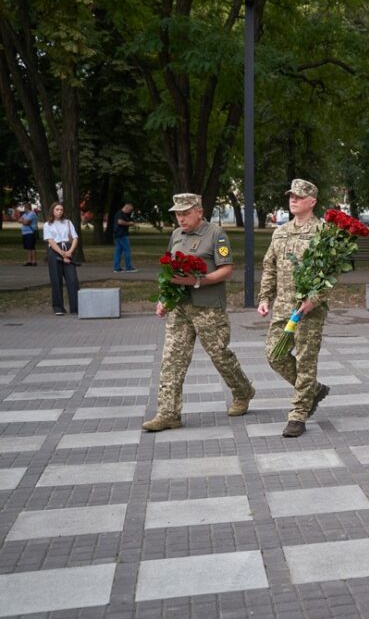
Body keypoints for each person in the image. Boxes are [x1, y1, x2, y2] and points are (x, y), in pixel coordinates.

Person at [141, 193, 255, 432]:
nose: (180, 218)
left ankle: (243, 391)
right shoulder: (176, 235)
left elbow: (226, 271)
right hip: (180, 308)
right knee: (172, 360)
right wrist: (164, 297)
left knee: (220, 356)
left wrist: (197, 281)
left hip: (208, 309)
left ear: (199, 212)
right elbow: (169, 270)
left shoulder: (215, 234)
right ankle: (168, 414)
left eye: (185, 213)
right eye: (177, 214)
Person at [258, 179, 332, 438]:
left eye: (299, 197)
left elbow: (330, 272)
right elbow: (270, 266)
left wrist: (316, 298)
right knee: (274, 356)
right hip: (283, 306)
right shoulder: (281, 231)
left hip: (310, 308)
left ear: (312, 201)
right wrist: (264, 297)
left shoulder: (324, 231)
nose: (293, 200)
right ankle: (313, 389)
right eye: (291, 196)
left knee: (305, 360)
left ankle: (298, 414)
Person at [42, 202, 80, 316]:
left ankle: (76, 307)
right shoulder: (47, 224)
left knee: (72, 280)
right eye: (57, 209)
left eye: (61, 210)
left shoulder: (68, 223)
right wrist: (61, 253)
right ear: (52, 211)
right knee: (56, 279)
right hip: (55, 251)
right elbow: (50, 241)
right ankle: (58, 307)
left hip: (67, 249)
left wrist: (70, 252)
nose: (59, 211)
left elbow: (75, 238)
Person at [112, 202, 138, 273]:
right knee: (127, 250)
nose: (129, 212)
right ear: (126, 207)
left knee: (118, 251)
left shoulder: (122, 214)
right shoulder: (120, 214)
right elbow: (120, 222)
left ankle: (117, 268)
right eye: (129, 210)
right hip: (121, 234)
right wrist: (129, 223)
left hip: (118, 234)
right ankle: (128, 267)